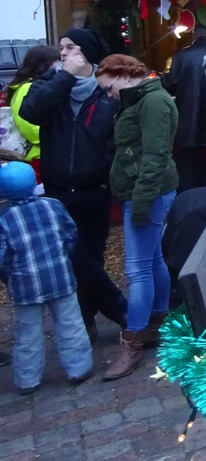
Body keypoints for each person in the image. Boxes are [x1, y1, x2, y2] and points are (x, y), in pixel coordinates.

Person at [17, 28, 127, 341]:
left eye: (70, 47)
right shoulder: (52, 83)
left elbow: (117, 138)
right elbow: (30, 111)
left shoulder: (107, 89)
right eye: (61, 47)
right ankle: (120, 309)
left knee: (91, 255)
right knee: (72, 256)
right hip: (59, 190)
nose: (62, 52)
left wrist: (107, 179)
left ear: (87, 53)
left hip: (95, 189)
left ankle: (85, 319)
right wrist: (64, 77)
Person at [94, 55, 179, 380]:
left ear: (126, 76)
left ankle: (132, 342)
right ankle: (156, 324)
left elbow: (155, 155)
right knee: (152, 259)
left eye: (110, 87)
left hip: (147, 193)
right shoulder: (144, 98)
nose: (109, 94)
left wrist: (141, 204)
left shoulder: (153, 102)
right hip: (146, 192)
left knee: (137, 268)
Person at [0, 161, 93, 394]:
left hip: (25, 286)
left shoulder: (4, 220)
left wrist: (8, 277)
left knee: (27, 333)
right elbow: (71, 235)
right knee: (71, 324)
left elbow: (3, 257)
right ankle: (79, 369)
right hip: (60, 276)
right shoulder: (54, 205)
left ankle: (27, 380)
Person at [162, 26, 206, 191]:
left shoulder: (183, 55)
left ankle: (187, 191)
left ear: (194, 36)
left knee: (186, 159)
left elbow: (170, 83)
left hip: (187, 112)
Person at [2, 45, 59, 168]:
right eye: (57, 64)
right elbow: (29, 128)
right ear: (44, 65)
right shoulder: (27, 89)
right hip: (38, 157)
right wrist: (62, 136)